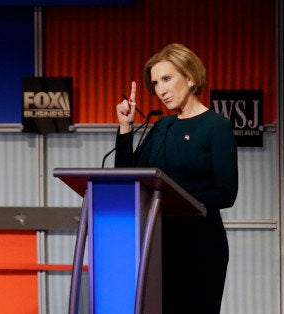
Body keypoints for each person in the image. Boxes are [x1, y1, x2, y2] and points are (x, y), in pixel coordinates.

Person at [114, 43, 238, 313]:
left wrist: (176, 200)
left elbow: (227, 193)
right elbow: (127, 175)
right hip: (160, 244)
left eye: (167, 79)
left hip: (202, 246)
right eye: (156, 83)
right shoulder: (162, 127)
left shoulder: (216, 126)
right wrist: (126, 127)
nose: (160, 90)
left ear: (190, 77)